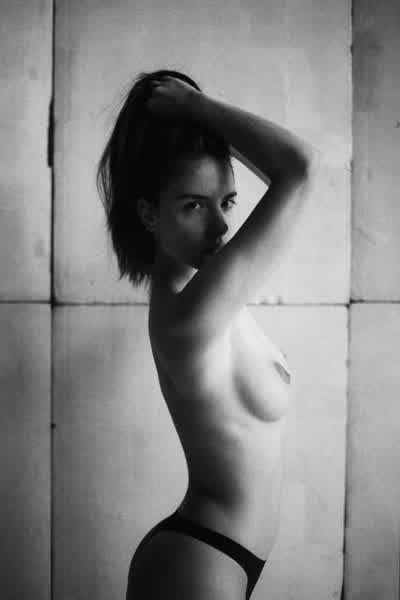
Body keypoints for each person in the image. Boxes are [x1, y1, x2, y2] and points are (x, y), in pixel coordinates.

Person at [97, 69, 315, 600]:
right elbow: (299, 167)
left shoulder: (213, 297)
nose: (220, 227)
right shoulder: (190, 319)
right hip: (198, 563)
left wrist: (198, 123)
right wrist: (197, 107)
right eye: (193, 205)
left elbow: (290, 171)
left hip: (221, 558)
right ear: (149, 214)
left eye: (227, 202)